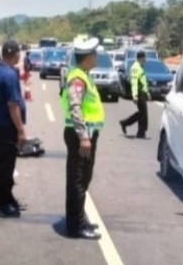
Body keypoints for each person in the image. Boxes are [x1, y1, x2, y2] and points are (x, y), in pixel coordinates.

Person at [60, 38, 104, 240]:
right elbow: (75, 107)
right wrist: (84, 137)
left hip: (85, 135)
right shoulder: (77, 78)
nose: (97, 57)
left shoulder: (84, 75)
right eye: (94, 54)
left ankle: (79, 217)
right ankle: (75, 226)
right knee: (77, 181)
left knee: (83, 179)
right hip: (80, 136)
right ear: (87, 58)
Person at [0, 39, 28, 218]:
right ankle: (0, 203)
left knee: (5, 165)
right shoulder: (10, 75)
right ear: (16, 54)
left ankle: (7, 197)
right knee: (5, 167)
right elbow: (13, 105)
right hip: (7, 127)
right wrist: (21, 130)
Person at [120, 51, 151, 138]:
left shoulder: (141, 67)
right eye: (144, 58)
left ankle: (139, 130)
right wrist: (135, 95)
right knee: (143, 113)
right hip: (138, 92)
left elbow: (143, 81)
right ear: (141, 58)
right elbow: (134, 82)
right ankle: (129, 125)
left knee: (142, 113)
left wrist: (147, 92)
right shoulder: (135, 67)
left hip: (143, 92)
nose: (145, 59)